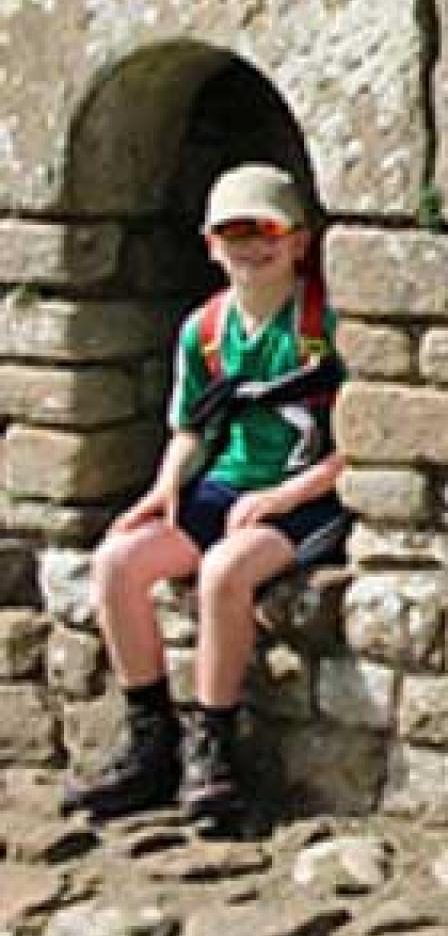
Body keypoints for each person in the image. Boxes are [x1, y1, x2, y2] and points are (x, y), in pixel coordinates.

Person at [62, 163, 348, 827]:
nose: (251, 245)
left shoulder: (322, 321)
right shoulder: (206, 331)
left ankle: (212, 748)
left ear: (299, 240)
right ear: (211, 245)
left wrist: (288, 494)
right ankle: (149, 738)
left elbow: (362, 439)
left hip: (304, 494)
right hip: (224, 486)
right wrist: (165, 487)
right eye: (233, 231)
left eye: (266, 229)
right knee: (117, 562)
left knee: (224, 572)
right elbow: (192, 427)